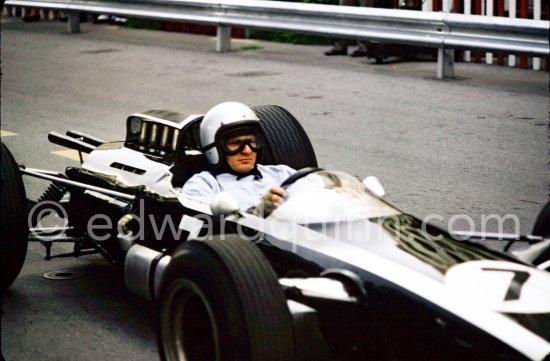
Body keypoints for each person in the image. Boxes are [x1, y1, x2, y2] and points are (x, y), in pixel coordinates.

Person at [181, 102, 296, 216]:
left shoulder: (283, 173)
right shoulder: (203, 184)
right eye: (236, 143)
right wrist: (258, 212)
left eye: (251, 142)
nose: (247, 151)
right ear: (216, 148)